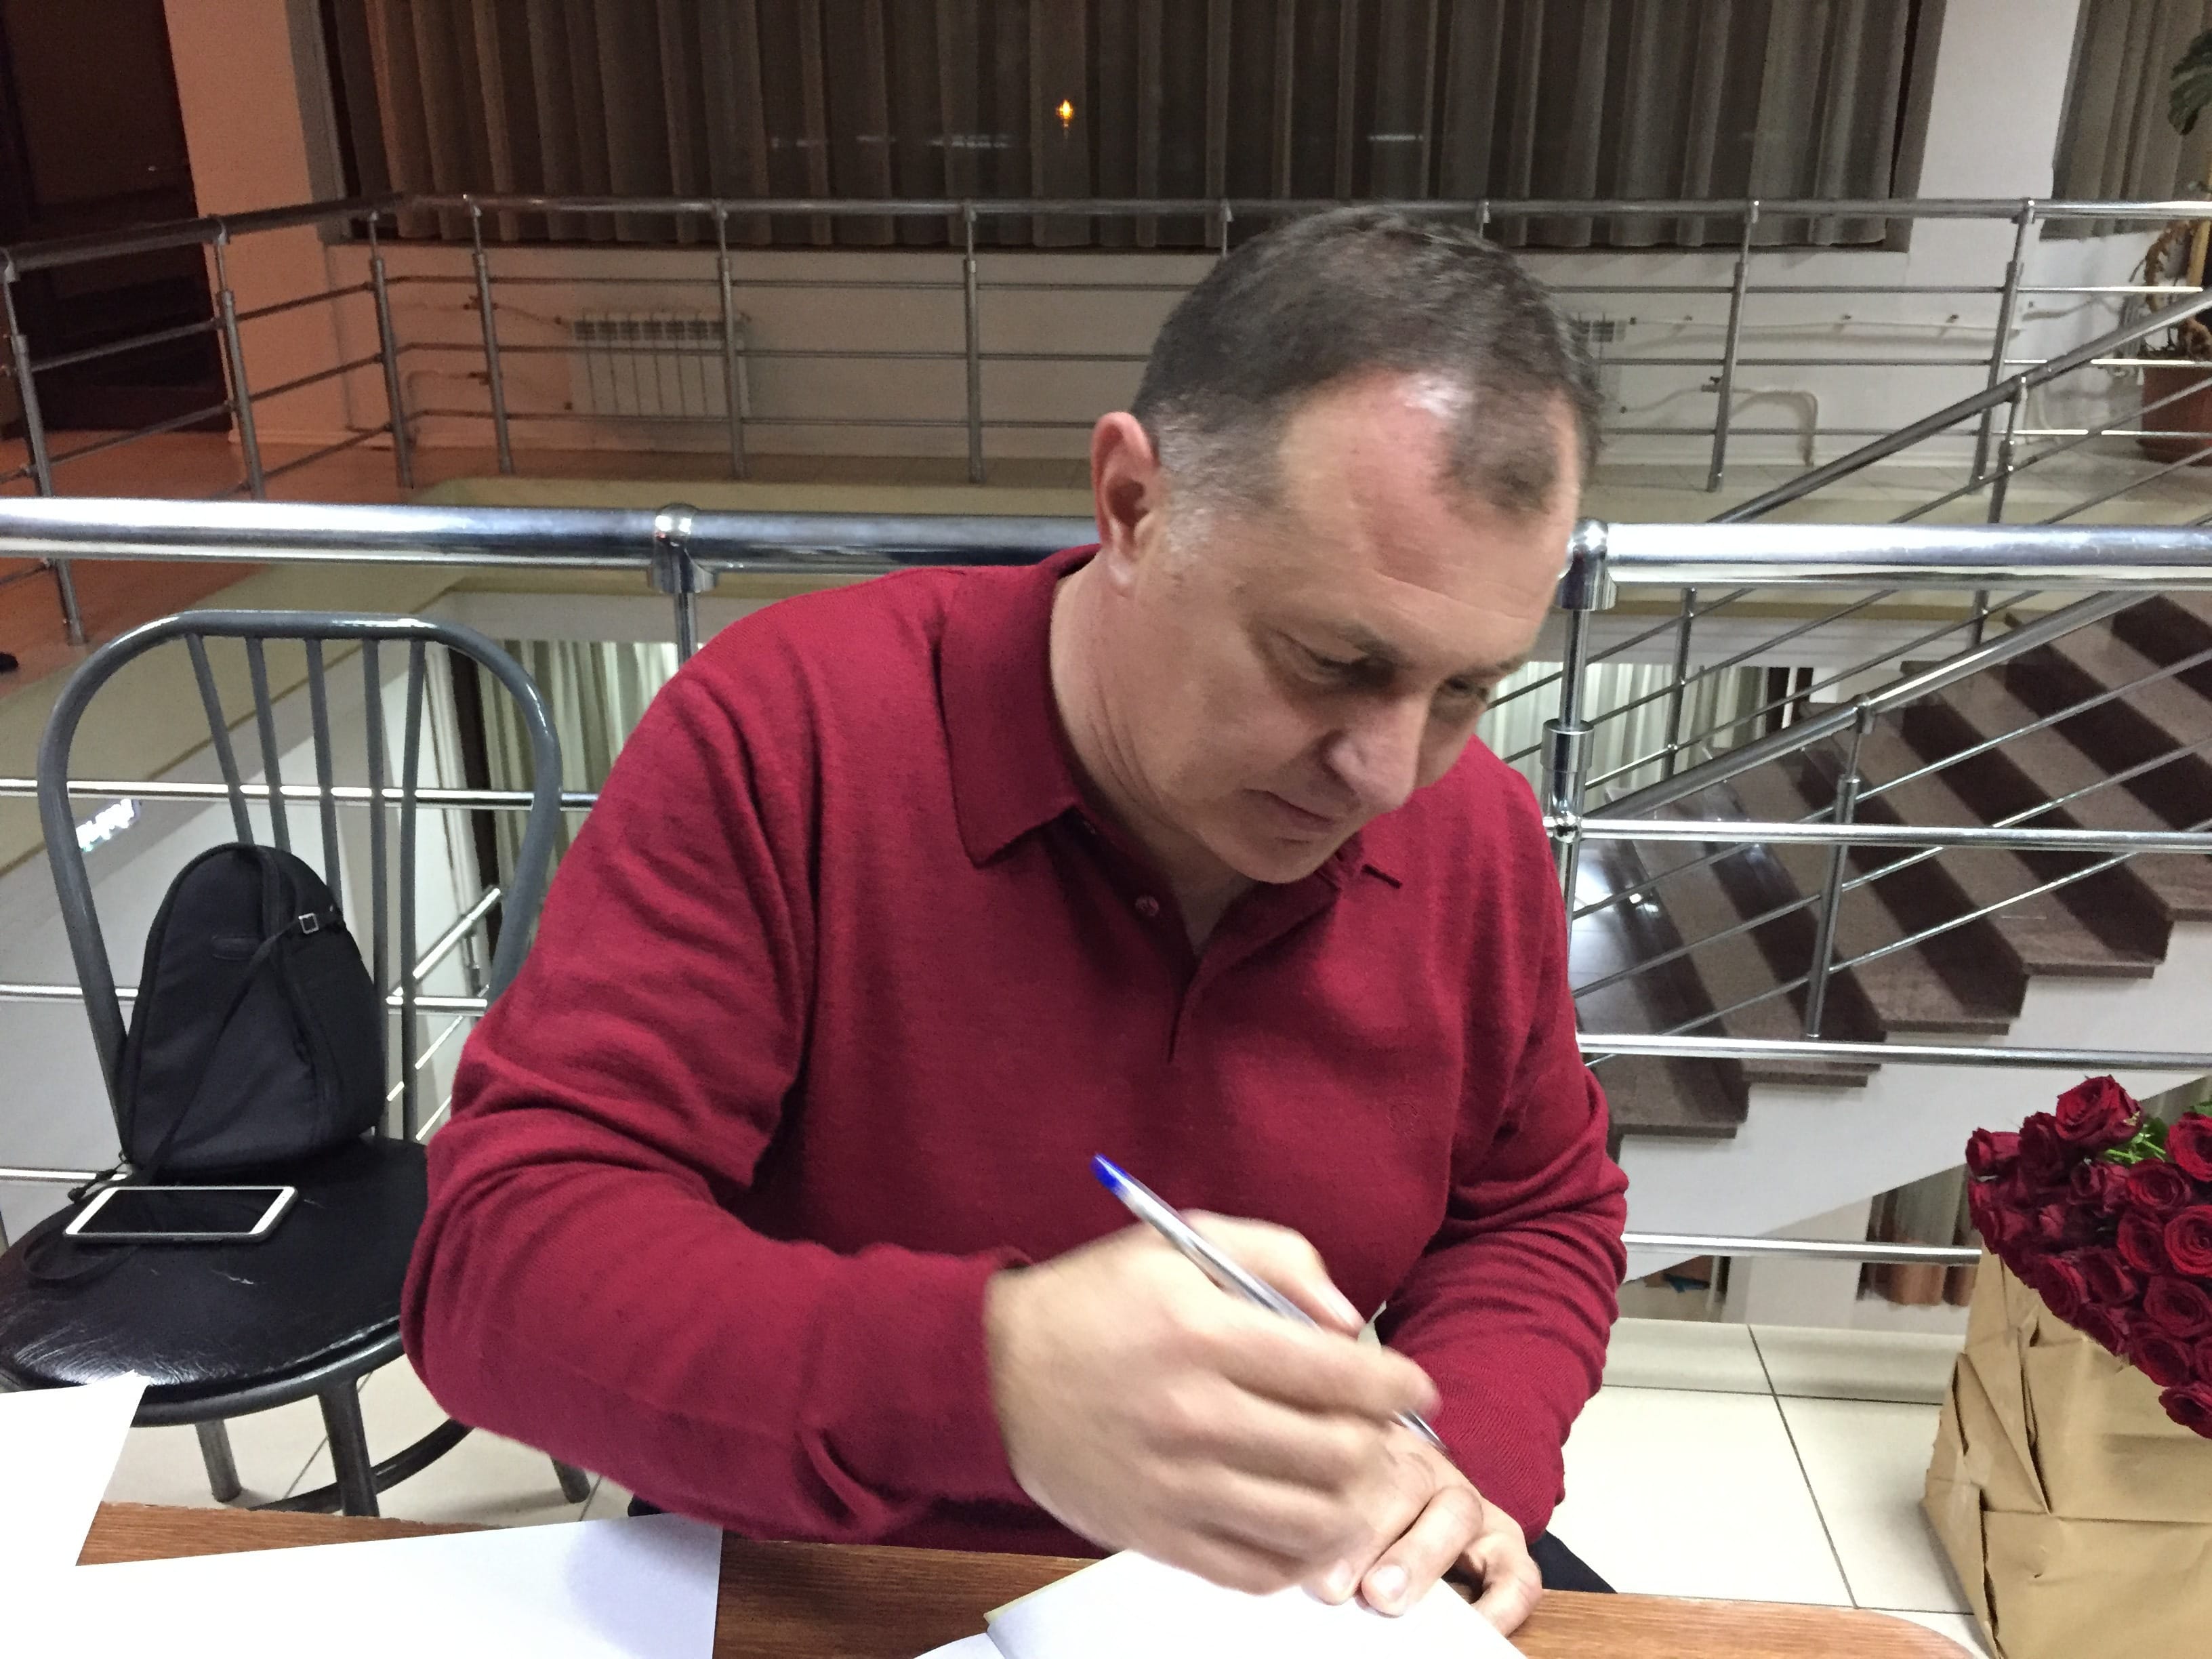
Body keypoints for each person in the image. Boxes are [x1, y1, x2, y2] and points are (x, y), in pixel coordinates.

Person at [403, 207, 1627, 1635]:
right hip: (841, 1575)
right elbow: (501, 1266)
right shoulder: (790, 737)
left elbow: (1535, 1213)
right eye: (1329, 662)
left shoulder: (1473, 832)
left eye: (1466, 689)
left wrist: (1460, 1458)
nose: (1387, 772)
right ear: (1132, 506)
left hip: (1297, 1595)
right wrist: (988, 1382)